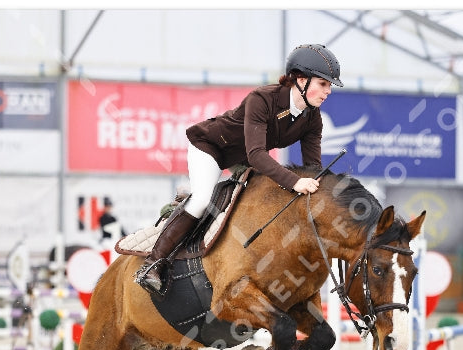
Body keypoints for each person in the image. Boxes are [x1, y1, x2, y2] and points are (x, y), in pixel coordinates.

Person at [136, 43, 344, 293]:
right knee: (202, 200)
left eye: (330, 86)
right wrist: (294, 182)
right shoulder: (263, 99)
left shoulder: (313, 118)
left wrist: (328, 191)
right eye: (324, 84)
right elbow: (257, 154)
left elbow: (313, 168)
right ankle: (153, 264)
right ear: (301, 79)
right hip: (211, 147)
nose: (328, 91)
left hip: (244, 158)